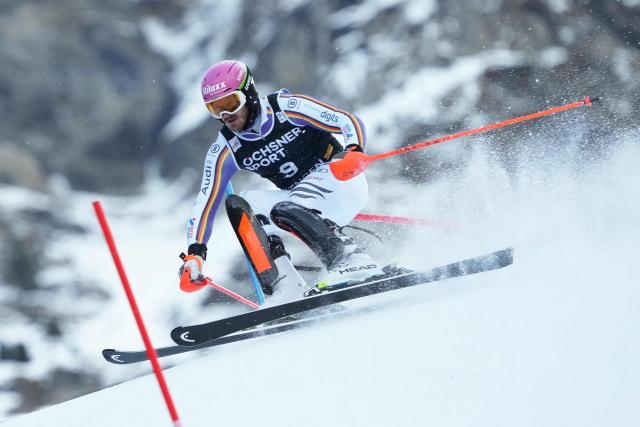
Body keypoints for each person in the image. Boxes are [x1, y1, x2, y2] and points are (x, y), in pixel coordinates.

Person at [179, 60, 383, 295]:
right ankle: (285, 284)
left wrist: (354, 149)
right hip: (301, 209)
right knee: (242, 205)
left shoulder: (285, 108)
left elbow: (345, 120)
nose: (226, 115)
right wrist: (195, 253)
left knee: (286, 207)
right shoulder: (226, 148)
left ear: (249, 93)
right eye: (215, 108)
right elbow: (205, 201)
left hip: (342, 184)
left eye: (230, 103)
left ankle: (352, 260)